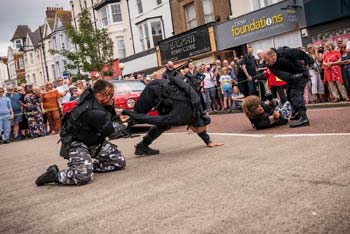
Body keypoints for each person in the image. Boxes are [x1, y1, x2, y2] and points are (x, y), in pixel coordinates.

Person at [35, 80, 128, 186]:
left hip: (93, 140)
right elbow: (112, 133)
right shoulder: (93, 111)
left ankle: (87, 166)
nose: (112, 97)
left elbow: (109, 115)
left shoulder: (93, 98)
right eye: (110, 95)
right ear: (99, 96)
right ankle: (54, 175)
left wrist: (120, 113)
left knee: (118, 162)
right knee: (83, 177)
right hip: (77, 143)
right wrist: (127, 124)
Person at [122, 75, 224, 156]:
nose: (194, 131)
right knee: (138, 114)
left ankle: (142, 146)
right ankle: (121, 125)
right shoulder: (181, 117)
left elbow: (200, 125)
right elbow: (153, 119)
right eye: (196, 131)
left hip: (166, 97)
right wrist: (127, 113)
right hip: (154, 89)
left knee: (163, 124)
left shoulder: (198, 110)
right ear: (193, 127)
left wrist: (208, 141)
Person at [263, 47, 315, 128]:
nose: (266, 62)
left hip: (301, 73)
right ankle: (297, 113)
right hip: (292, 77)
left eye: (267, 60)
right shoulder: (270, 65)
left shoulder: (284, 52)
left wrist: (311, 62)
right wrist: (292, 77)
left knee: (295, 94)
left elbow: (300, 53)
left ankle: (304, 118)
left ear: (273, 56)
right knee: (289, 94)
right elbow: (280, 74)